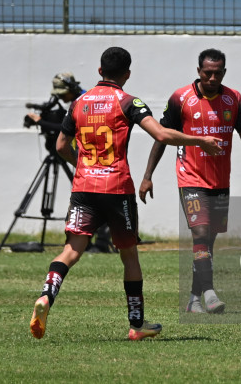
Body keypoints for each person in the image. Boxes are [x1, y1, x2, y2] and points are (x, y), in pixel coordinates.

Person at [29, 47, 223, 341]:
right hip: (117, 189)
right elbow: (161, 134)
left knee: (70, 251)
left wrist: (82, 165)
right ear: (127, 74)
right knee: (129, 255)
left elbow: (59, 147)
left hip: (83, 188)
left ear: (99, 71)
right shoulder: (128, 102)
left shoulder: (78, 103)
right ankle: (136, 325)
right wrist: (200, 140)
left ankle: (46, 296)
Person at [138, 49, 241, 314]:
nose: (211, 77)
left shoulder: (234, 99)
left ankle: (194, 298)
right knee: (199, 232)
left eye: (217, 73)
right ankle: (209, 293)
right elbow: (162, 136)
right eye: (207, 72)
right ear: (198, 71)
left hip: (220, 181)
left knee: (208, 241)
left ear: (224, 73)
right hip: (190, 178)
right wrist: (147, 176)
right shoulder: (180, 98)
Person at [27, 72, 115, 253]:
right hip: (87, 156)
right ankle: (89, 242)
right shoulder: (83, 98)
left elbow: (65, 128)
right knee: (89, 200)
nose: (60, 97)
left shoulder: (82, 101)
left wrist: (41, 122)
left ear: (71, 89)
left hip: (92, 159)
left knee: (94, 199)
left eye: (61, 93)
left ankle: (100, 243)